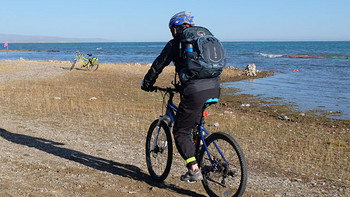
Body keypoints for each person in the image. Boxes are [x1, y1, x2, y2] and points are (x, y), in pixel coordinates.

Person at [141, 11, 221, 183]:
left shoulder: (175, 43)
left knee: (179, 131)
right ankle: (200, 149)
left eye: (172, 30)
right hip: (215, 88)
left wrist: (147, 84)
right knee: (194, 124)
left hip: (194, 92)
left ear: (176, 29)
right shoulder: (204, 40)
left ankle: (193, 170)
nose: (172, 33)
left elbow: (157, 65)